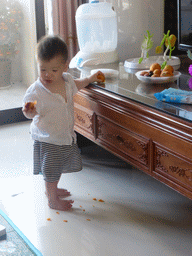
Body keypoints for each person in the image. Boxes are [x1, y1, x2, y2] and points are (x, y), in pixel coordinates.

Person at [22, 35, 104, 211]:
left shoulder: (66, 82)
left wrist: (90, 78)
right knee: (51, 170)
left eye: (54, 70)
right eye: (42, 69)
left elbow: (78, 84)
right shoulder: (36, 91)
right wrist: (29, 112)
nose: (47, 75)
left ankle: (53, 189)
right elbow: (30, 111)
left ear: (65, 67)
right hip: (47, 137)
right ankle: (52, 199)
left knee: (57, 166)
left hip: (63, 135)